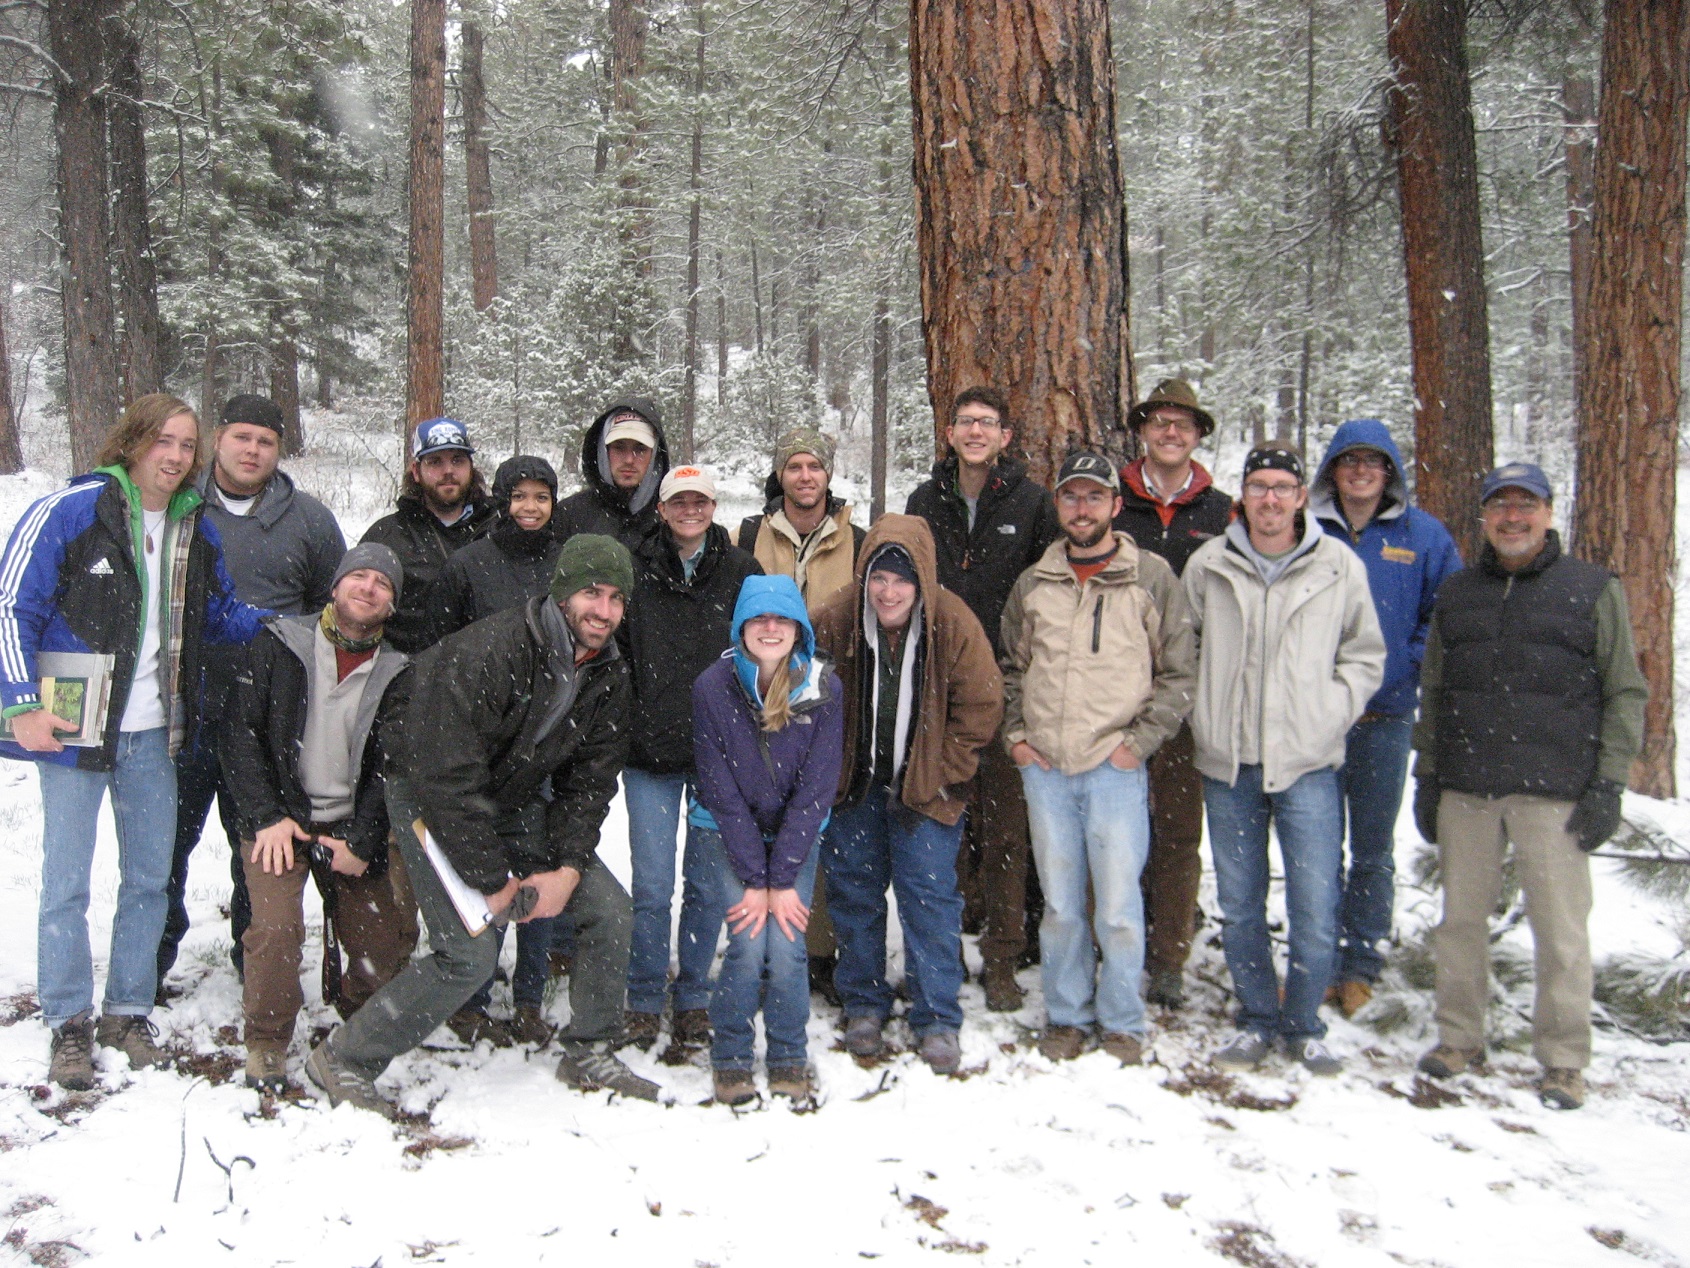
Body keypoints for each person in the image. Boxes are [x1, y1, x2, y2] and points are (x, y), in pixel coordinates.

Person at [305, 535, 655, 1116]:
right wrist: (492, 879)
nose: (605, 610)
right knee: (466, 958)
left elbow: (588, 784)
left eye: (618, 598)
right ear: (564, 591)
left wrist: (566, 867)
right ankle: (345, 1058)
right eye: (592, 592)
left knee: (609, 909)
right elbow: (447, 775)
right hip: (424, 793)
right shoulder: (495, 649)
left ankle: (589, 1047)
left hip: (508, 795)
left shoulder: (610, 672)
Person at [0, 393, 268, 1089]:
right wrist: (20, 704)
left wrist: (308, 622)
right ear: (133, 443)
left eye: (187, 445)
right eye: (165, 442)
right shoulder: (73, 510)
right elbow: (10, 606)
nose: (177, 457)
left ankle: (126, 1010)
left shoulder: (192, 525)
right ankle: (67, 1021)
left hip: (155, 728)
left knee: (149, 877)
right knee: (66, 881)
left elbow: (222, 615)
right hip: (72, 721)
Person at [1412, 462, 1646, 1112]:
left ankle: (1564, 1059)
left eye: (1526, 506)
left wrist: (1609, 784)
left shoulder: (1592, 590)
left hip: (1556, 790)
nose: (1513, 519)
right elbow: (1434, 689)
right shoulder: (1459, 593)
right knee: (1460, 923)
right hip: (1468, 787)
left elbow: (1625, 690)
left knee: (1561, 929)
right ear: (1484, 517)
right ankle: (1460, 1039)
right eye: (1500, 507)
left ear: (1548, 512)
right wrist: (1427, 775)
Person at [1182, 441, 1384, 1076]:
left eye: (1282, 487)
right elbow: (1178, 650)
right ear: (1243, 496)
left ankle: (1303, 1023)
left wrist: (1330, 711)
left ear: (1301, 497)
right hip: (1229, 761)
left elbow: (1364, 652)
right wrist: (1202, 711)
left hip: (1308, 762)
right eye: (1259, 486)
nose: (1270, 498)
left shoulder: (1337, 566)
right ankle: (1256, 1016)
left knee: (1314, 899)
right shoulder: (1210, 564)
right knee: (1241, 901)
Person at [998, 453, 1196, 1065]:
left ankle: (1121, 1020)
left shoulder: (1152, 577)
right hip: (1048, 767)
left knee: (1116, 905)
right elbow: (1010, 667)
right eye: (1070, 497)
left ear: (1115, 505)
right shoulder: (1036, 582)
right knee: (1059, 904)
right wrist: (1018, 738)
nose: (1081, 509)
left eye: (1093, 497)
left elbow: (1179, 672)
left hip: (1114, 765)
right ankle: (1066, 1015)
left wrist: (1136, 746)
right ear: (1057, 507)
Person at [159, 392, 346, 992]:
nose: (252, 450)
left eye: (266, 441)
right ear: (218, 438)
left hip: (271, 721)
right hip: (184, 709)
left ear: (280, 450)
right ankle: (150, 961)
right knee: (165, 848)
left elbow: (333, 612)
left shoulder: (310, 520)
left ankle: (255, 964)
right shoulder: (181, 509)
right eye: (242, 437)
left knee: (261, 847)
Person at [220, 544, 416, 1090]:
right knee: (277, 931)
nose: (369, 587)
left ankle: (354, 1024)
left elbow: (393, 768)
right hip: (281, 820)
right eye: (359, 575)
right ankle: (266, 1039)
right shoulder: (280, 646)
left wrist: (363, 837)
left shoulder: (399, 673)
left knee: (385, 941)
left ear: (392, 605)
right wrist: (266, 818)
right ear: (335, 586)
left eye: (383, 582)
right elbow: (240, 738)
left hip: (351, 824)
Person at [812, 516, 1001, 1073]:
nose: (888, 592)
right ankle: (864, 1002)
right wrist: (830, 767)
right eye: (878, 578)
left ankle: (937, 1014)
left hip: (926, 791)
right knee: (855, 895)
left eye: (901, 580)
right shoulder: (837, 619)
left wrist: (945, 773)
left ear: (921, 581)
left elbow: (982, 705)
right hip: (857, 787)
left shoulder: (954, 624)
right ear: (864, 576)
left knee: (930, 900)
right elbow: (805, 692)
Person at [904, 387, 1059, 1011]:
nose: (975, 432)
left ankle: (1003, 957)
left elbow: (1048, 584)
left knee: (1005, 832)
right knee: (939, 822)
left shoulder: (1030, 502)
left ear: (1004, 436)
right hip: (938, 683)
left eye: (987, 423)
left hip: (1005, 683)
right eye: (965, 421)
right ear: (950, 432)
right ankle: (938, 952)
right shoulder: (924, 500)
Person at [1310, 420, 1461, 1017]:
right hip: (1316, 717)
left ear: (1390, 472)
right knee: (1316, 847)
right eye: (1350, 462)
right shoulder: (1308, 530)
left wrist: (1408, 665)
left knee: (1372, 848)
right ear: (1333, 471)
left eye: (1374, 463)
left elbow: (1444, 615)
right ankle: (1317, 957)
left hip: (1386, 716)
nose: (1361, 472)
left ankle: (1362, 960)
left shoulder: (1422, 535)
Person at [427, 453, 572, 1046]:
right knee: (482, 868)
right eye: (520, 497)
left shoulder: (568, 563)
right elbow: (444, 645)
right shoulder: (470, 564)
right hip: (481, 742)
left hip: (548, 740)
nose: (530, 508)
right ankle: (473, 995)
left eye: (541, 497)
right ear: (502, 501)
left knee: (537, 868)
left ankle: (531, 995)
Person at [619, 465, 762, 1053]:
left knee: (705, 885)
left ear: (712, 506)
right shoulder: (635, 567)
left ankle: (694, 998)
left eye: (699, 501)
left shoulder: (740, 570)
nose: (689, 510)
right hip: (649, 751)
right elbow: (617, 653)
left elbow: (762, 647)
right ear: (662, 507)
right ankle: (645, 995)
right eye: (678, 501)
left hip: (717, 756)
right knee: (653, 885)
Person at [690, 575, 844, 1105]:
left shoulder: (823, 686)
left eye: (781, 620)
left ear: (798, 628)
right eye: (759, 619)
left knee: (786, 943)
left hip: (796, 834)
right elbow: (720, 791)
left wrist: (782, 879)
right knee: (748, 941)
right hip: (727, 831)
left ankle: (787, 1053)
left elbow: (817, 788)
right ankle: (730, 1053)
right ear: (742, 627)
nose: (771, 628)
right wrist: (756, 880)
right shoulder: (713, 686)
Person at [1112, 379, 1233, 1009]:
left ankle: (1169, 956)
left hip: (1190, 694)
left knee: (1180, 829)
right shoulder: (1113, 504)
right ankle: (1114, 941)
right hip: (1115, 693)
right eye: (1160, 422)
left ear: (1197, 435)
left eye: (1182, 424)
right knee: (1111, 824)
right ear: (1142, 430)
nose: (1170, 433)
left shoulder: (1222, 513)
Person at [735, 426, 865, 999]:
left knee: (820, 833)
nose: (805, 476)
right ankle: (761, 953)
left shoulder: (857, 539)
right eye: (794, 467)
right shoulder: (748, 536)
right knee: (763, 831)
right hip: (759, 702)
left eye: (815, 466)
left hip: (830, 703)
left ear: (828, 474)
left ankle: (817, 953)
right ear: (780, 474)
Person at [359, 416, 495, 653]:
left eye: (457, 460)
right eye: (435, 462)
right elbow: (356, 611)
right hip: (412, 673)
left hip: (491, 673)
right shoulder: (388, 535)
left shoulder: (499, 526)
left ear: (471, 467)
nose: (448, 471)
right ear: (416, 470)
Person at [552, 398, 672, 549]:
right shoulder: (569, 516)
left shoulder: (673, 517)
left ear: (655, 455)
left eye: (640, 449)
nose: (629, 459)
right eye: (619, 448)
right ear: (602, 451)